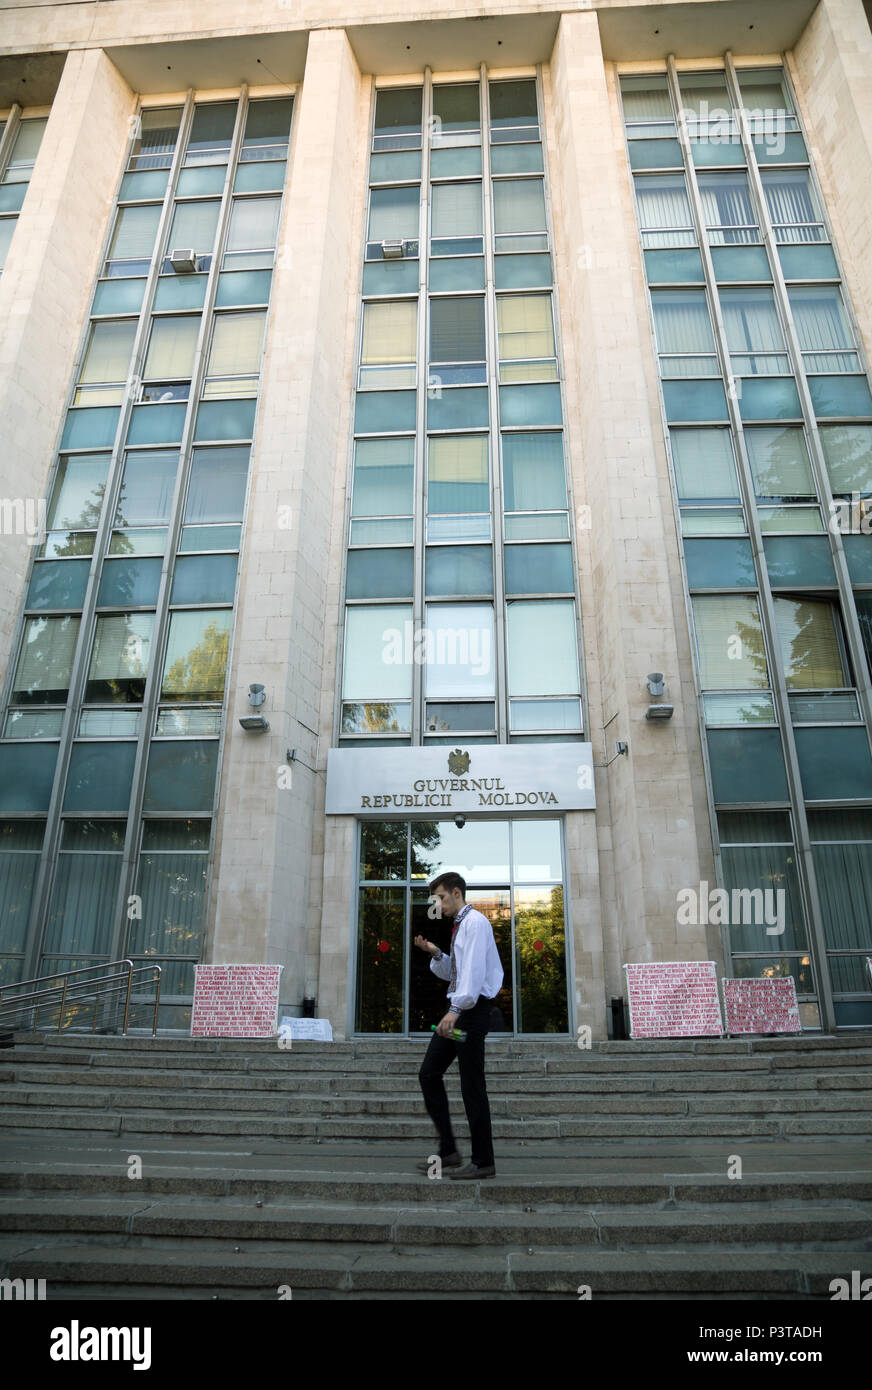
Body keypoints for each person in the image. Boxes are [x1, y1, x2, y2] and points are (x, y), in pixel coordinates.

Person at [413, 870, 504, 1179]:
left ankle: (483, 1161)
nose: (438, 904)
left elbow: (474, 975)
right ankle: (449, 1150)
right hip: (461, 1010)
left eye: (440, 898)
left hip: (471, 1012)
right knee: (429, 1073)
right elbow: (457, 972)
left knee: (472, 1085)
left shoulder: (475, 923)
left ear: (455, 893)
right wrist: (436, 953)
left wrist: (455, 1010)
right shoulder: (461, 925)